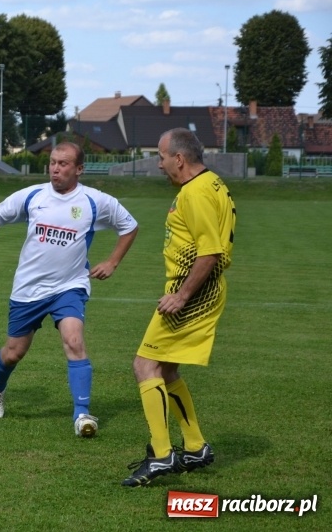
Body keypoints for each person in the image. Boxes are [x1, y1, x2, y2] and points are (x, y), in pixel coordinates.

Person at [0, 141, 138, 437]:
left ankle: (82, 414)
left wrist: (112, 262)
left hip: (69, 286)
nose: (55, 169)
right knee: (13, 353)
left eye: (63, 164)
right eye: (53, 162)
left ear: (79, 169)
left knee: (74, 340)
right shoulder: (33, 195)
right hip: (29, 288)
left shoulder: (95, 201)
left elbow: (129, 226)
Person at [121, 128, 236, 487]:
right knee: (167, 370)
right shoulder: (212, 183)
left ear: (180, 159)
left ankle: (161, 455)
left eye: (162, 157)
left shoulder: (195, 192)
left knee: (145, 365)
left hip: (193, 292)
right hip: (201, 289)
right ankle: (196, 447)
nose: (160, 164)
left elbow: (210, 252)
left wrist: (182, 296)